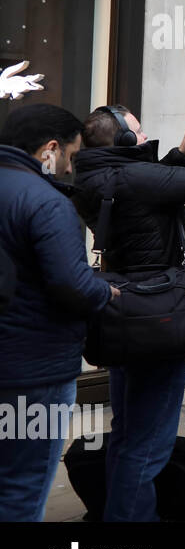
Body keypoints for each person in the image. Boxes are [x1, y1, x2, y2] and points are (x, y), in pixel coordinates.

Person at [74, 104, 185, 522]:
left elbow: (149, 195)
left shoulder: (96, 176)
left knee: (129, 435)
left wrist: (182, 150)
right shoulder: (131, 177)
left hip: (128, 316)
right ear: (122, 141)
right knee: (148, 445)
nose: (144, 139)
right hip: (159, 317)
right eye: (139, 134)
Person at [0, 105, 117, 522]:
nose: (70, 166)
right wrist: (105, 291)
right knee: (21, 489)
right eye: (71, 154)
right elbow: (72, 284)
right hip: (34, 375)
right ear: (50, 149)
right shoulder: (47, 203)